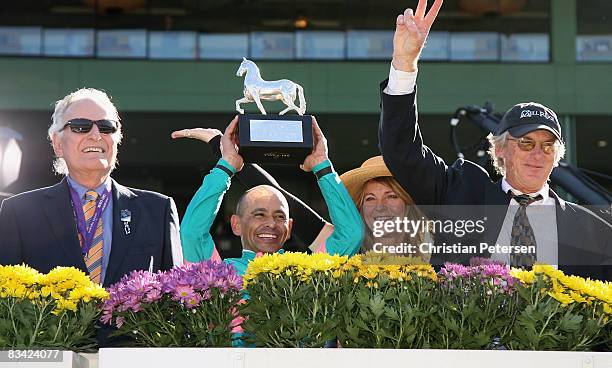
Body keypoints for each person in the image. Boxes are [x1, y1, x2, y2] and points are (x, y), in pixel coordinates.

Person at [378, 0, 612, 279]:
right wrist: (404, 64)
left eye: (547, 146)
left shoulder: (592, 229)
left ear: (557, 156)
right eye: (526, 143)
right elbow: (402, 151)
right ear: (500, 149)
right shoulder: (461, 193)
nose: (538, 154)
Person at [0, 88, 183, 287]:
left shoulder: (158, 211)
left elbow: (175, 301)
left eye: (106, 127)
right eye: (80, 126)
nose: (96, 135)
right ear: (57, 143)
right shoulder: (18, 213)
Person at [179, 116, 363, 276]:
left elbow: (351, 235)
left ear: (289, 227)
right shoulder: (218, 275)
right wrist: (226, 166)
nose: (271, 223)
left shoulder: (307, 272)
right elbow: (192, 233)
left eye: (279, 216)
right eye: (259, 214)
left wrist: (322, 166)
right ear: (236, 224)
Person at [339, 156, 431, 261]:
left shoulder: (436, 257)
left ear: (408, 203)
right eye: (370, 199)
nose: (380, 207)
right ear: (361, 208)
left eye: (391, 196)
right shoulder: (345, 258)